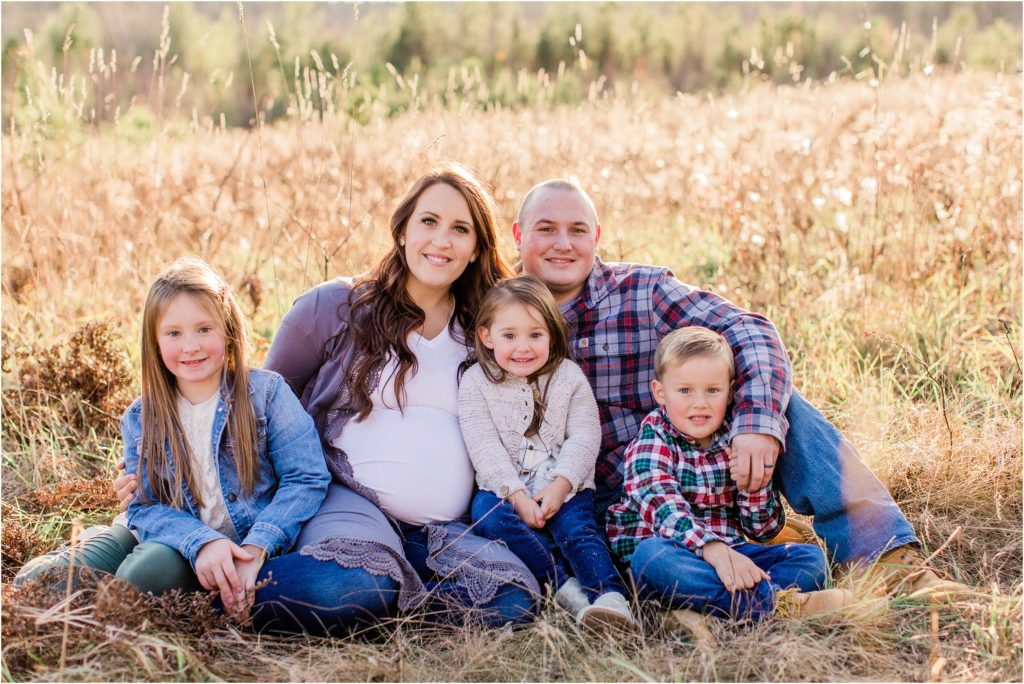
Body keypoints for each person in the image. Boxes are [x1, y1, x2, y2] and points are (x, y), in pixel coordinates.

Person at [511, 178, 968, 599]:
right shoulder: (499, 312)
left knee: (778, 403)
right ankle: (755, 594)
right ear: (518, 235)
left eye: (577, 230)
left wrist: (756, 425)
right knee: (651, 562)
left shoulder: (640, 291)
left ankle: (884, 557)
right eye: (546, 229)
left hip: (694, 460)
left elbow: (747, 329)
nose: (563, 244)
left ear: (597, 235)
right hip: (602, 504)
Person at [19, 258, 393, 636]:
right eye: (174, 333)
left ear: (228, 331)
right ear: (154, 341)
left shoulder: (266, 395)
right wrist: (201, 542)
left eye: (203, 329)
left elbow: (307, 477)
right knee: (36, 582)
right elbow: (145, 507)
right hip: (172, 534)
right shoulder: (142, 416)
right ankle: (95, 551)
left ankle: (115, 612)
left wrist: (259, 544)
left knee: (141, 578)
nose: (191, 346)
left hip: (234, 544)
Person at [261, 164, 540, 627]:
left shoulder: (488, 332)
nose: (441, 240)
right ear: (403, 231)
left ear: (475, 250)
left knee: (510, 600)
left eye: (460, 229)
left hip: (442, 528)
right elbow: (262, 402)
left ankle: (391, 599)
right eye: (428, 222)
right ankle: (220, 591)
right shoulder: (335, 306)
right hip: (348, 499)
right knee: (348, 585)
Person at [608, 326, 853, 625]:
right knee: (651, 558)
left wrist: (753, 486)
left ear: (730, 389)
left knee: (810, 559)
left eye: (712, 390)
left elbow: (763, 530)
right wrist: (713, 550)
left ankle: (710, 612)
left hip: (733, 556)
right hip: (676, 556)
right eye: (685, 391)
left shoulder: (734, 438)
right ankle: (781, 606)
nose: (700, 402)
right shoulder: (653, 439)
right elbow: (664, 508)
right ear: (660, 392)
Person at [459, 275, 635, 628]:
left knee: (577, 529)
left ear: (552, 334)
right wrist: (517, 495)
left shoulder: (568, 377)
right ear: (486, 336)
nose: (523, 347)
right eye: (510, 336)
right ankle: (564, 588)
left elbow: (585, 436)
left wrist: (562, 484)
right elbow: (483, 446)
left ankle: (611, 598)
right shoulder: (476, 382)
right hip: (505, 489)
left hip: (564, 483)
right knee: (487, 516)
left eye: (535, 335)